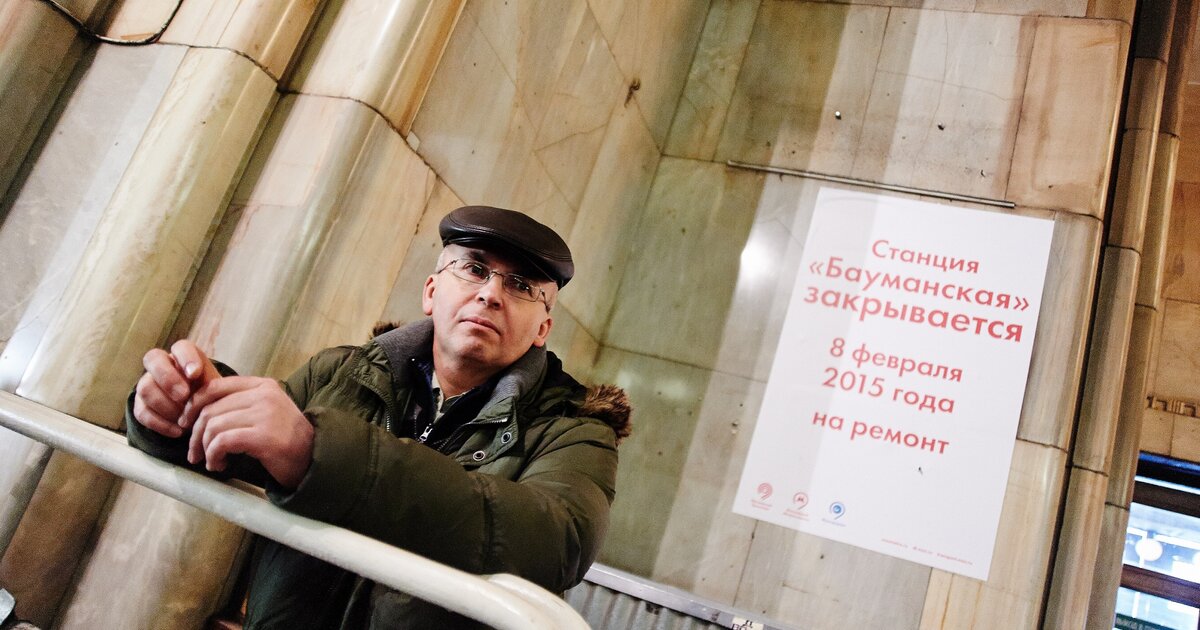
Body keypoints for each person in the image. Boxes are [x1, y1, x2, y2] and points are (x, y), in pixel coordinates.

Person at [127, 205, 631, 629]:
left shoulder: (574, 429)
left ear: (542, 329)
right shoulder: (340, 372)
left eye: (520, 285)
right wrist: (182, 412)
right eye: (474, 269)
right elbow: (248, 447)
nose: (490, 294)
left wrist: (318, 453)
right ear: (431, 291)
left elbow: (555, 539)